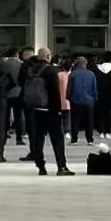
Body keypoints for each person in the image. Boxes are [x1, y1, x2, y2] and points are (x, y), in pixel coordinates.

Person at [21, 48, 72, 176]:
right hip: (50, 110)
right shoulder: (50, 70)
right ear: (48, 56)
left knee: (38, 139)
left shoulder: (30, 70)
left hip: (34, 109)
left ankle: (41, 167)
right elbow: (55, 92)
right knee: (57, 139)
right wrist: (58, 110)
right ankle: (61, 166)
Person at [67, 55, 96, 143]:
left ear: (77, 64)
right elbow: (94, 88)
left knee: (75, 120)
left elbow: (69, 88)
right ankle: (90, 139)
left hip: (76, 100)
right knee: (89, 121)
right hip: (89, 101)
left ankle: (74, 139)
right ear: (85, 64)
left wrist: (68, 97)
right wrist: (94, 99)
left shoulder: (73, 74)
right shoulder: (91, 74)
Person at [1, 47, 26, 145]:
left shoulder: (3, 64)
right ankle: (19, 138)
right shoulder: (21, 64)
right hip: (18, 92)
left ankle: (3, 136)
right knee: (18, 115)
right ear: (16, 54)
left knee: (5, 115)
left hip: (6, 92)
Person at [92, 51, 111, 137]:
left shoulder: (97, 68)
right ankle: (109, 131)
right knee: (110, 112)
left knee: (101, 112)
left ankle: (101, 131)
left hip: (100, 93)